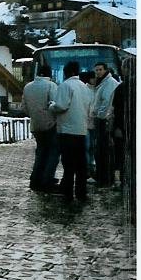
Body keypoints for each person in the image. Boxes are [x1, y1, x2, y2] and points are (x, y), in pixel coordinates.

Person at [49, 61, 92, 203]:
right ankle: (81, 193)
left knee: (68, 165)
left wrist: (51, 106)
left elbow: (61, 106)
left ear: (66, 72)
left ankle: (67, 192)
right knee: (81, 165)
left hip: (67, 131)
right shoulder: (85, 87)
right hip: (81, 130)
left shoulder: (66, 85)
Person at [23, 64, 59, 192]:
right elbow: (55, 106)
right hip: (50, 125)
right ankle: (47, 180)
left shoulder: (28, 87)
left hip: (35, 125)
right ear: (50, 74)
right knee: (53, 153)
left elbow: (25, 108)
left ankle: (35, 179)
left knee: (40, 152)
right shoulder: (51, 86)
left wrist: (35, 115)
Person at [112, 56, 135, 223]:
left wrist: (117, 129)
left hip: (128, 131)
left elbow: (118, 111)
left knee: (129, 161)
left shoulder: (122, 87)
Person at [91, 62, 120, 187]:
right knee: (100, 150)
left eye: (100, 70)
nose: (98, 72)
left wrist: (99, 115)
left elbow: (106, 103)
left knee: (104, 150)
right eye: (96, 70)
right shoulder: (102, 82)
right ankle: (102, 176)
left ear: (105, 70)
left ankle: (105, 177)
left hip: (104, 121)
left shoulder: (109, 83)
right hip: (101, 119)